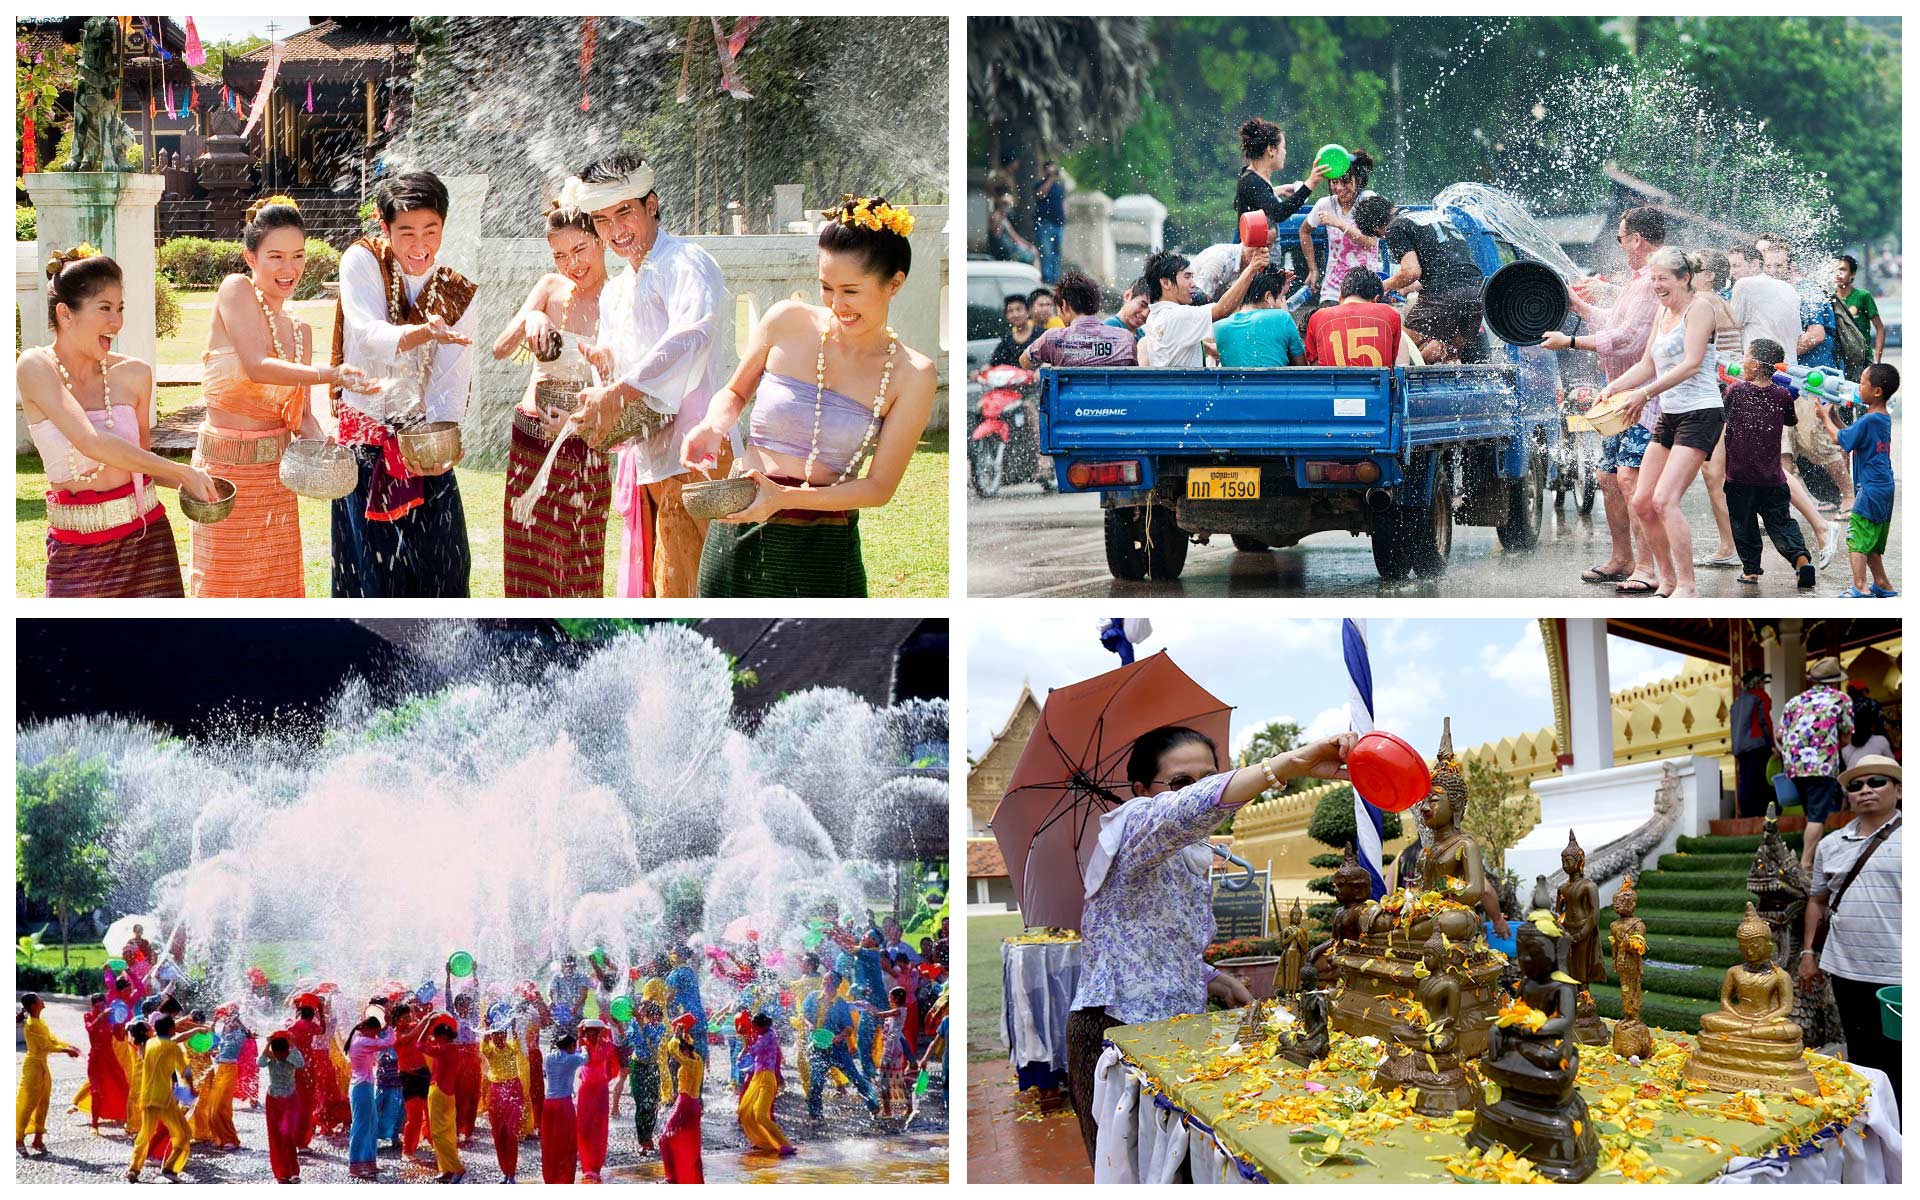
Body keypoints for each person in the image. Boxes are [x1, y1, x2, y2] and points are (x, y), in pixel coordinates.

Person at [1066, 726, 1355, 1165]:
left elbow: (1157, 944)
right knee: (1134, 1174)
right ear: (1142, 791)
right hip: (1116, 1034)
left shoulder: (1187, 854)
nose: (1197, 791)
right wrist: (1286, 766)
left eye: (1209, 776)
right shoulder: (1136, 827)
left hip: (1177, 1033)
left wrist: (1214, 978)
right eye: (1182, 781)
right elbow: (1184, 812)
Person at [682, 195, 936, 598]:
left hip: (824, 547)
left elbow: (879, 487)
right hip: (739, 525)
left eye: (851, 291)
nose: (837, 305)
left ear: (895, 283)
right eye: (826, 287)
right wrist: (712, 426)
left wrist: (782, 498)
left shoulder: (913, 374)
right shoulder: (786, 321)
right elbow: (734, 392)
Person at [563, 152, 728, 598]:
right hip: (650, 456)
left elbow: (691, 336)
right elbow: (628, 365)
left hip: (699, 452)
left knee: (691, 588)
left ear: (651, 205)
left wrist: (619, 388)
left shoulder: (685, 262)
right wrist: (604, 364)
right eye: (601, 220)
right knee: (659, 586)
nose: (616, 231)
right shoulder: (617, 289)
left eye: (625, 212)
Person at [19, 250, 218, 596]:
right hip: (76, 551)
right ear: (65, 313)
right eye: (105, 308)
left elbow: (141, 463)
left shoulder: (135, 374)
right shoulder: (36, 366)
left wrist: (200, 483)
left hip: (148, 542)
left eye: (120, 308)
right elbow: (90, 442)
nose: (117, 322)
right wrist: (183, 471)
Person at [197, 197, 366, 596]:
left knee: (276, 591)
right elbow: (256, 365)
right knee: (223, 589)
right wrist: (329, 373)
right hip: (222, 474)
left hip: (275, 477)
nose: (289, 269)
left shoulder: (301, 330)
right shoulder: (235, 290)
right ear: (250, 257)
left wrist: (325, 443)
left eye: (298, 256)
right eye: (275, 256)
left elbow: (300, 416)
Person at [330, 171, 476, 598]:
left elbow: (452, 376)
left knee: (446, 569)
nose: (420, 245)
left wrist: (442, 442)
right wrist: (425, 333)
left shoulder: (453, 289)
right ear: (385, 227)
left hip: (422, 447)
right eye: (407, 232)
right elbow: (370, 336)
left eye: (431, 231)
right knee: (375, 580)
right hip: (367, 447)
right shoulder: (362, 260)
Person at [491, 203, 614, 597]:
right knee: (527, 557)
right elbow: (500, 348)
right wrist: (532, 318)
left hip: (585, 443)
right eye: (560, 255)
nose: (571, 264)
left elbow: (623, 384)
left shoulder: (620, 296)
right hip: (531, 437)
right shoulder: (549, 287)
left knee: (579, 563)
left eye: (580, 250)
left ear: (601, 240)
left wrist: (578, 423)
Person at [1542, 207, 1665, 593]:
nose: (1621, 244)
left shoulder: (1652, 282)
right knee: (1607, 477)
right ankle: (1621, 558)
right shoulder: (1636, 280)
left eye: (1621, 237)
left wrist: (1572, 341)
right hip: (1616, 397)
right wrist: (1578, 307)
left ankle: (1647, 568)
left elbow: (1629, 337)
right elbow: (1614, 322)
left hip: (1643, 401)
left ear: (1637, 240)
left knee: (1632, 480)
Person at [1593, 246, 1723, 597]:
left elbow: (1693, 363)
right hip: (1671, 414)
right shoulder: (1662, 313)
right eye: (1653, 280)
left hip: (1701, 412)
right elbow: (1648, 365)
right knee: (1641, 500)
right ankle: (1665, 579)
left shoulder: (1701, 309)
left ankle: (1688, 586)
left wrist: (1645, 394)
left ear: (1684, 278)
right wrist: (1614, 388)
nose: (1657, 286)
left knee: (1665, 500)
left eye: (1663, 279)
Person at [1799, 755, 1901, 1109]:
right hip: (1846, 968)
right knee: (1863, 1059)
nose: (1866, 791)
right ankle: (1873, 1137)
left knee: (1902, 1063)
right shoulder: (1829, 844)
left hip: (1899, 973)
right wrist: (1808, 953)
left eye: (1876, 782)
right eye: (1856, 786)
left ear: (1898, 790)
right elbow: (1817, 901)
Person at [1716, 336, 1816, 589]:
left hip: (1739, 476)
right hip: (1772, 477)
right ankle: (1801, 561)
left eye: (1746, 358)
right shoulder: (1782, 394)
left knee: (1744, 524)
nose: (1742, 362)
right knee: (1781, 522)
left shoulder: (1736, 391)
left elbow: (1721, 414)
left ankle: (1750, 572)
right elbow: (1791, 421)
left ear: (1757, 365)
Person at [1766, 240, 1855, 516]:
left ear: (1791, 266)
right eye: (1768, 265)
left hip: (1812, 382)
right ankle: (1789, 509)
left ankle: (1849, 495)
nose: (1772, 270)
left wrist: (1779, 359)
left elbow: (1815, 335)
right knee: (1784, 448)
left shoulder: (1806, 291)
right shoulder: (1774, 292)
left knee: (1817, 443)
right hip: (1786, 381)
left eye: (1778, 265)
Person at [1357, 194, 1486, 364]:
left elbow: (1411, 272)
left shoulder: (1395, 226)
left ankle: (1391, 387)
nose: (1384, 238)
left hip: (1444, 293)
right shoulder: (1431, 217)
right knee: (1449, 355)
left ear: (1376, 227)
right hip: (1477, 293)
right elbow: (1447, 266)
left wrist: (1380, 286)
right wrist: (1404, 287)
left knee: (1397, 348)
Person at [1685, 248, 1746, 569]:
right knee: (1724, 473)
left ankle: (1728, 546)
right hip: (1731, 395)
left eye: (1695, 267)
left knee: (1713, 473)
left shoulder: (1704, 303)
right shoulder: (1721, 301)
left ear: (1709, 276)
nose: (1688, 271)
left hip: (1720, 395)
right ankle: (1731, 544)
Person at [1821, 362, 1897, 598]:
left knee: (1856, 538)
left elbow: (1839, 440)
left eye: (1862, 383)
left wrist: (1824, 417)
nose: (1857, 387)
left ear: (1876, 392)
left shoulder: (1868, 421)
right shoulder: (1880, 418)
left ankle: (1860, 586)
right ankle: (1882, 583)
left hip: (1871, 488)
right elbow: (1852, 438)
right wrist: (1834, 416)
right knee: (1871, 540)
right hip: (1884, 486)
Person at [1137, 245, 1269, 368]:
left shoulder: (1156, 316)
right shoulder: (1176, 315)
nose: (1193, 284)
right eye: (1187, 277)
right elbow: (1222, 309)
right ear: (1165, 283)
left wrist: (1208, 349)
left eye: (1192, 277)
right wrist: (1252, 268)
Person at [1781, 656, 1855, 874]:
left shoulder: (1794, 701)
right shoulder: (1841, 699)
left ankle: (1810, 857)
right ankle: (1806, 864)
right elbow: (1847, 737)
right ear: (1834, 681)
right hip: (1821, 765)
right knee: (1817, 817)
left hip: (1794, 765)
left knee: (1811, 812)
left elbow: (1780, 733)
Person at [1300, 149, 1379, 304]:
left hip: (1366, 289)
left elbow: (1371, 242)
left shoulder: (1367, 200)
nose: (1340, 188)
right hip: (1334, 290)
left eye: (1346, 181)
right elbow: (1304, 231)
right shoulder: (1325, 204)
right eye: (1335, 182)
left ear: (1359, 180)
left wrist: (1339, 224)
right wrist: (1313, 269)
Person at [802, 971, 880, 1120]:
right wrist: (810, 1025)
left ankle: (873, 1106)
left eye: (829, 980)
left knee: (855, 1077)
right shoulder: (813, 997)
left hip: (837, 1048)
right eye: (825, 979)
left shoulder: (840, 1004)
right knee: (816, 1083)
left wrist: (839, 1037)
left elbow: (848, 1027)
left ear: (837, 985)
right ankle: (816, 1116)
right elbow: (804, 1014)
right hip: (817, 1047)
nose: (826, 982)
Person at [128, 1014, 195, 1182]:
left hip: (147, 1097)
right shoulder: (173, 1047)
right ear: (172, 1029)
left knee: (144, 1135)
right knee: (184, 1133)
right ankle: (170, 1168)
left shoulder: (150, 1043)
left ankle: (134, 1169)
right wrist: (192, 1088)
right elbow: (185, 1072)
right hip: (164, 1100)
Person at [1021, 271, 1137, 368]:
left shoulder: (1052, 339)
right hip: (1112, 396)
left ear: (1064, 306)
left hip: (1067, 396)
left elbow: (1024, 362)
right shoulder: (1125, 339)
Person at [1304, 268, 1414, 367]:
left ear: (1340, 297)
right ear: (1376, 299)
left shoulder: (1317, 317)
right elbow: (1397, 363)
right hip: (1379, 388)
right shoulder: (1390, 313)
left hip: (1334, 388)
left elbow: (1314, 366)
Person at [1234, 117, 1327, 231]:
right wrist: (1310, 183)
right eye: (1283, 147)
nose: (1285, 152)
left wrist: (1279, 190)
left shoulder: (1251, 176)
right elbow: (1279, 213)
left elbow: (1245, 201)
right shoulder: (1251, 180)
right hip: (1252, 248)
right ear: (1271, 150)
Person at [16, 993, 80, 1154]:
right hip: (33, 1068)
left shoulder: (40, 1022)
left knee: (43, 1103)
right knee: (28, 1104)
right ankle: (18, 1139)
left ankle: (38, 1139)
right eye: (39, 999)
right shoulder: (31, 1025)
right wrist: (65, 1050)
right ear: (33, 1006)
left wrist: (68, 1046)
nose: (42, 1000)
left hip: (42, 1066)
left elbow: (52, 1040)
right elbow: (46, 1046)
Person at [1213, 269, 1306, 367]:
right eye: (1282, 298)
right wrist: (1285, 313)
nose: (1284, 303)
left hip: (1235, 382)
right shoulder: (1282, 317)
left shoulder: (1220, 326)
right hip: (1274, 382)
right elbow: (1302, 368)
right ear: (1268, 296)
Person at [413, 1015, 466, 1183]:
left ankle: (456, 1168)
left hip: (438, 1092)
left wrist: (427, 1023)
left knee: (438, 1134)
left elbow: (419, 1045)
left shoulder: (443, 1049)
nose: (434, 1038)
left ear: (442, 1036)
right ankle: (447, 1169)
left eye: (436, 1036)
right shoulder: (452, 1049)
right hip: (448, 1094)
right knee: (448, 1132)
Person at [342, 1011, 394, 1178]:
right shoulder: (362, 1041)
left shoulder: (360, 1036)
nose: (375, 1036)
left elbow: (381, 1041)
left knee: (372, 1123)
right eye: (375, 1032)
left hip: (364, 1085)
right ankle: (355, 1164)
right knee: (361, 1126)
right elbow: (388, 1042)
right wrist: (390, 1025)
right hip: (361, 1087)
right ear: (367, 1028)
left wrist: (384, 1026)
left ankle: (369, 1162)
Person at [737, 1012, 795, 1154]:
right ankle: (765, 1142)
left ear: (760, 1026)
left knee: (761, 1115)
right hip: (759, 1076)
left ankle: (785, 1144)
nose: (754, 1029)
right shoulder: (767, 1033)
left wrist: (744, 1039)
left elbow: (752, 1050)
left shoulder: (768, 1037)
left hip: (767, 1078)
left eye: (755, 1027)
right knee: (746, 1110)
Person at [478, 1015, 526, 1182]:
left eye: (502, 1034)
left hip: (514, 1090)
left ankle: (511, 1173)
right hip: (497, 1092)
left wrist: (512, 1025)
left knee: (511, 1133)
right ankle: (504, 1172)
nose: (499, 1038)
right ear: (491, 1037)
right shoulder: (489, 1051)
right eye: (495, 1035)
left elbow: (517, 1039)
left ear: (506, 1035)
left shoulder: (512, 1048)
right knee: (499, 1133)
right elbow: (483, 1044)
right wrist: (487, 1026)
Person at [660, 1014, 706, 1183]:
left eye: (682, 1050)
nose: (680, 1053)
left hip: (684, 1104)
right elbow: (682, 1047)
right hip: (694, 1106)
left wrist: (675, 1037)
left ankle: (671, 1177)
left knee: (664, 1140)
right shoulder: (698, 1060)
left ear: (685, 1051)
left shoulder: (689, 1063)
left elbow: (672, 1050)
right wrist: (683, 1033)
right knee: (691, 1145)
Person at [575, 1019, 619, 1182]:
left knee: (599, 1127)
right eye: (588, 1032)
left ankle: (596, 1166)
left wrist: (605, 1080)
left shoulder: (608, 1046)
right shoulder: (583, 1044)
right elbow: (576, 1056)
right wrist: (580, 1035)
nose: (591, 1035)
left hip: (600, 1091)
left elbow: (613, 1067)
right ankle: (586, 1166)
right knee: (584, 1126)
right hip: (585, 1091)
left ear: (601, 1032)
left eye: (594, 1032)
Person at [257, 1032, 305, 1184]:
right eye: (276, 1053)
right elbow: (259, 1062)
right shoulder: (271, 1058)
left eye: (281, 1052)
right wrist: (267, 1044)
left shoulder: (292, 1057)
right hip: (273, 1101)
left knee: (288, 1136)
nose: (279, 1056)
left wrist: (292, 1044)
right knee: (275, 1137)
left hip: (289, 1101)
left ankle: (293, 1172)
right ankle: (281, 1173)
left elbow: (301, 1063)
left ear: (286, 1050)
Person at [1731, 668, 1777, 818]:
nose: (1764, 684)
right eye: (1762, 681)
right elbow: (1765, 721)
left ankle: (1747, 816)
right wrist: (1772, 745)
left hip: (1740, 747)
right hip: (1757, 744)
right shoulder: (1760, 697)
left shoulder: (1736, 703)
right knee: (1761, 781)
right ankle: (1763, 815)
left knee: (1745, 782)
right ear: (1757, 683)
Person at [80, 992, 130, 1130]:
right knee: (96, 1091)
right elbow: (90, 1029)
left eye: (103, 1003)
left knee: (124, 1085)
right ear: (93, 1005)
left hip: (110, 1057)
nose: (101, 1006)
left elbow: (119, 1038)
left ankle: (129, 1118)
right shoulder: (89, 1016)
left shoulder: (110, 1019)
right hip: (96, 1058)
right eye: (98, 1004)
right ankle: (94, 1124)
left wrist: (121, 1024)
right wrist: (102, 1017)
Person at [540, 1030, 584, 1184]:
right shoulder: (571, 1060)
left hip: (548, 1104)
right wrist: (584, 1047)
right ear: (571, 1046)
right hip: (564, 1104)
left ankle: (550, 1178)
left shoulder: (549, 1058)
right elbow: (585, 1057)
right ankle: (565, 1180)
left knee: (549, 1143)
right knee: (567, 1143)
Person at [627, 1001, 665, 1156]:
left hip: (652, 1066)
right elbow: (630, 1039)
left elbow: (651, 1038)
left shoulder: (660, 1028)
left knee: (653, 1102)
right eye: (652, 1015)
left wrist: (641, 1022)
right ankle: (643, 1140)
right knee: (641, 1103)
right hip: (638, 1066)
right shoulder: (634, 1024)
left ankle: (649, 1136)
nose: (656, 1018)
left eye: (659, 1016)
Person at [1833, 255, 1887, 364]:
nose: (1838, 274)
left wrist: (1877, 359)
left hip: (1863, 359)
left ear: (1852, 273)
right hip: (1839, 360)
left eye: (1843, 269)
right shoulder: (1830, 298)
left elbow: (1880, 328)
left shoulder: (1863, 296)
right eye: (1835, 270)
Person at [1035, 161, 1067, 283]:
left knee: (1056, 254)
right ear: (1045, 170)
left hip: (1058, 224)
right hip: (1045, 224)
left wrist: (1064, 216)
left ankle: (1054, 279)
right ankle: (1047, 279)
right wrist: (1049, 180)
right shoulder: (1040, 184)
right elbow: (1040, 195)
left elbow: (1062, 202)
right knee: (1046, 253)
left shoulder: (1059, 187)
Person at [986, 190, 1037, 264]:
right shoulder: (995, 216)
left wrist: (1029, 246)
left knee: (1033, 252)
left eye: (1009, 204)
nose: (1008, 207)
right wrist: (1002, 212)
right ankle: (1036, 275)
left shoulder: (1005, 219)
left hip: (1010, 250)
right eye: (1005, 204)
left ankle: (1037, 275)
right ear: (1000, 203)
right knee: (1032, 256)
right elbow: (996, 233)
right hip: (1003, 253)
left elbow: (1015, 238)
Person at [990, 293, 1040, 367]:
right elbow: (993, 363)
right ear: (1006, 316)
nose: (1015, 314)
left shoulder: (1041, 335)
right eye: (1010, 311)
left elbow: (1051, 360)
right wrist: (980, 371)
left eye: (1019, 309)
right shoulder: (1007, 340)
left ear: (1028, 312)